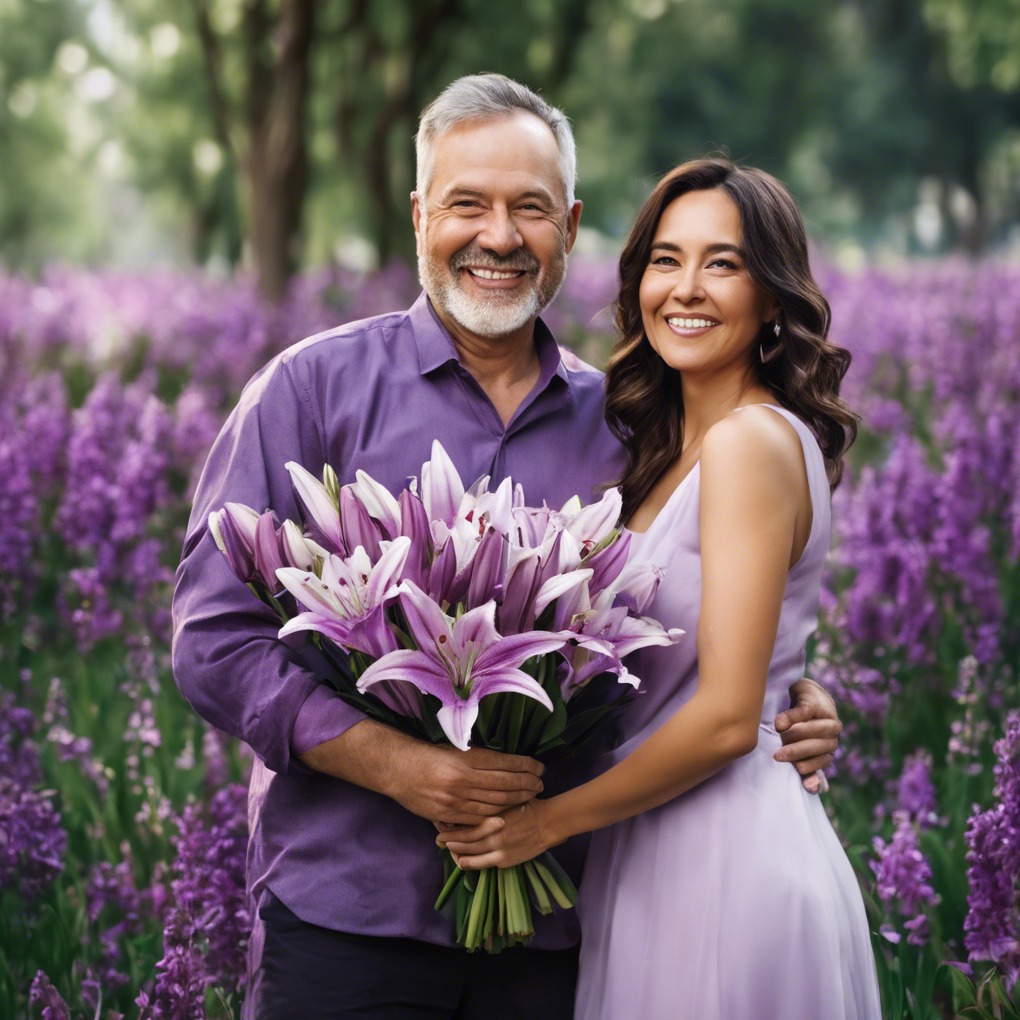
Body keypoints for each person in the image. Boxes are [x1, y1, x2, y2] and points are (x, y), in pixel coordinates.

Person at [172, 76, 843, 1019]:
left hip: (555, 935)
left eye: (530, 207)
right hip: (346, 921)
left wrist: (791, 700)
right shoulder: (308, 391)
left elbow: (695, 616)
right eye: (466, 205)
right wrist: (393, 763)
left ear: (569, 227)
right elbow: (212, 641)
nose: (499, 236)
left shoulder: (630, 428)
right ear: (419, 216)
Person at [442, 158, 882, 1019]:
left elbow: (726, 719)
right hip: (650, 846)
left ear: (773, 296)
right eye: (665, 259)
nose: (686, 288)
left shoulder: (747, 442)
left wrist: (544, 823)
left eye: (723, 263)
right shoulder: (663, 446)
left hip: (720, 859)